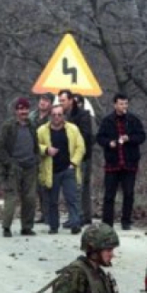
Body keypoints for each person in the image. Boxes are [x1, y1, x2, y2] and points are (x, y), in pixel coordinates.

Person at [96, 93, 146, 230]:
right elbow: (99, 137)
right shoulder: (107, 121)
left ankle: (126, 221)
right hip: (112, 162)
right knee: (109, 194)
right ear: (115, 104)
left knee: (129, 193)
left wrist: (129, 138)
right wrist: (109, 143)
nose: (124, 106)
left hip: (129, 162)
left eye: (126, 104)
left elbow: (142, 136)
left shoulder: (133, 120)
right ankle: (107, 222)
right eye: (121, 104)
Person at [0, 97, 39, 237]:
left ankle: (26, 227)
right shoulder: (8, 126)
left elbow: (36, 145)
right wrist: (9, 163)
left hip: (30, 167)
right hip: (14, 168)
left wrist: (36, 158)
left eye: (25, 109)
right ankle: (6, 227)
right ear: (16, 111)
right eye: (20, 109)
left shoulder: (32, 125)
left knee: (30, 198)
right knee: (11, 198)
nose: (23, 112)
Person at [38, 106, 85, 234]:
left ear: (63, 115)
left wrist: (73, 163)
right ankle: (53, 226)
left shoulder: (72, 129)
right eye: (54, 115)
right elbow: (35, 146)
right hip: (51, 170)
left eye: (59, 114)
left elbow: (80, 147)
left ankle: (75, 223)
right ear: (50, 116)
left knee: (72, 198)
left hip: (68, 169)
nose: (56, 117)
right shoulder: (42, 131)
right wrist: (46, 150)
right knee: (52, 201)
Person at [59, 89, 95, 225]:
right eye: (60, 101)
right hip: (67, 156)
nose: (61, 103)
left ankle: (79, 217)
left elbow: (86, 136)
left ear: (70, 100)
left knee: (78, 186)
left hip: (81, 156)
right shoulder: (64, 115)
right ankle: (79, 215)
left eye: (63, 100)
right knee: (74, 186)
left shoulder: (83, 115)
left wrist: (76, 149)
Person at [31, 93, 55, 225]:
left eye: (46, 101)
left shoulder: (53, 117)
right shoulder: (32, 116)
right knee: (38, 186)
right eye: (41, 100)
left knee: (48, 185)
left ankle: (49, 214)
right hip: (34, 154)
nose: (43, 103)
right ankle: (43, 213)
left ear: (50, 103)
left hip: (48, 153)